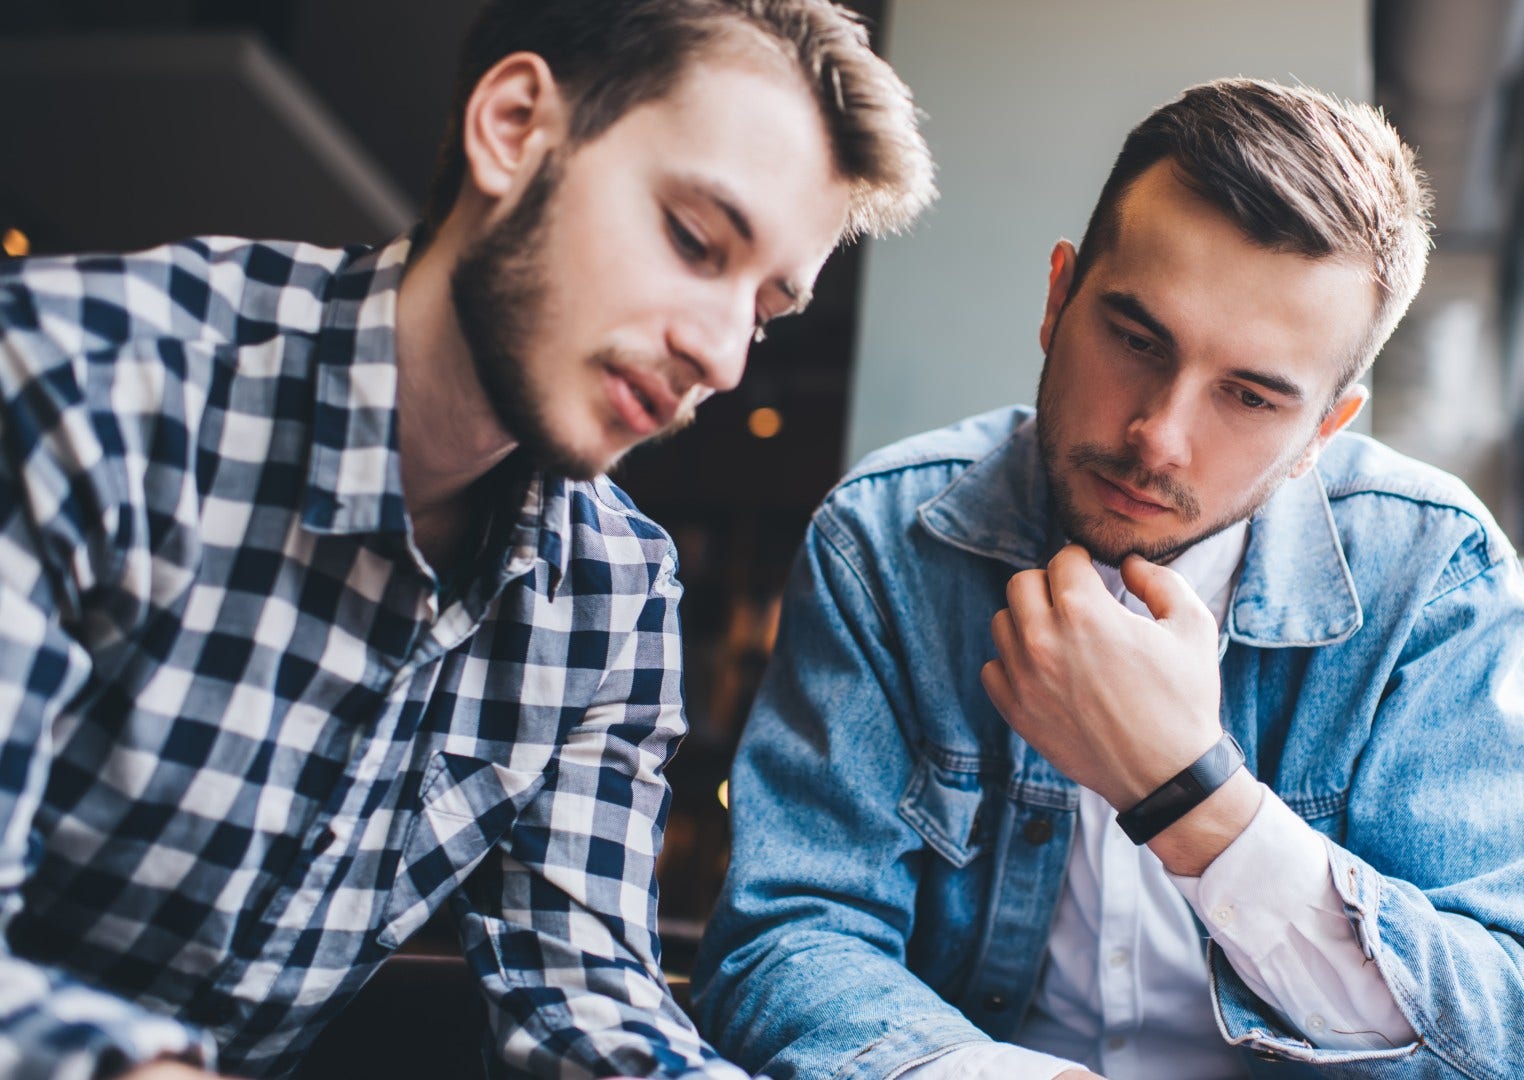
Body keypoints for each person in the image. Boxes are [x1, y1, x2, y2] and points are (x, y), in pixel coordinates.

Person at [0, 1, 932, 1076]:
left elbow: (587, 994)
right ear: (514, 124)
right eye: (692, 240)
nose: (722, 356)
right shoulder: (79, 387)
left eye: (764, 311)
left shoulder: (614, 592)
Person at [694, 78, 1524, 1078]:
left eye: (1250, 397)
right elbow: (784, 944)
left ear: (1321, 434)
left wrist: (1192, 799)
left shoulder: (1431, 576)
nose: (1157, 436)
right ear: (1057, 299)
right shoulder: (887, 537)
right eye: (1135, 339)